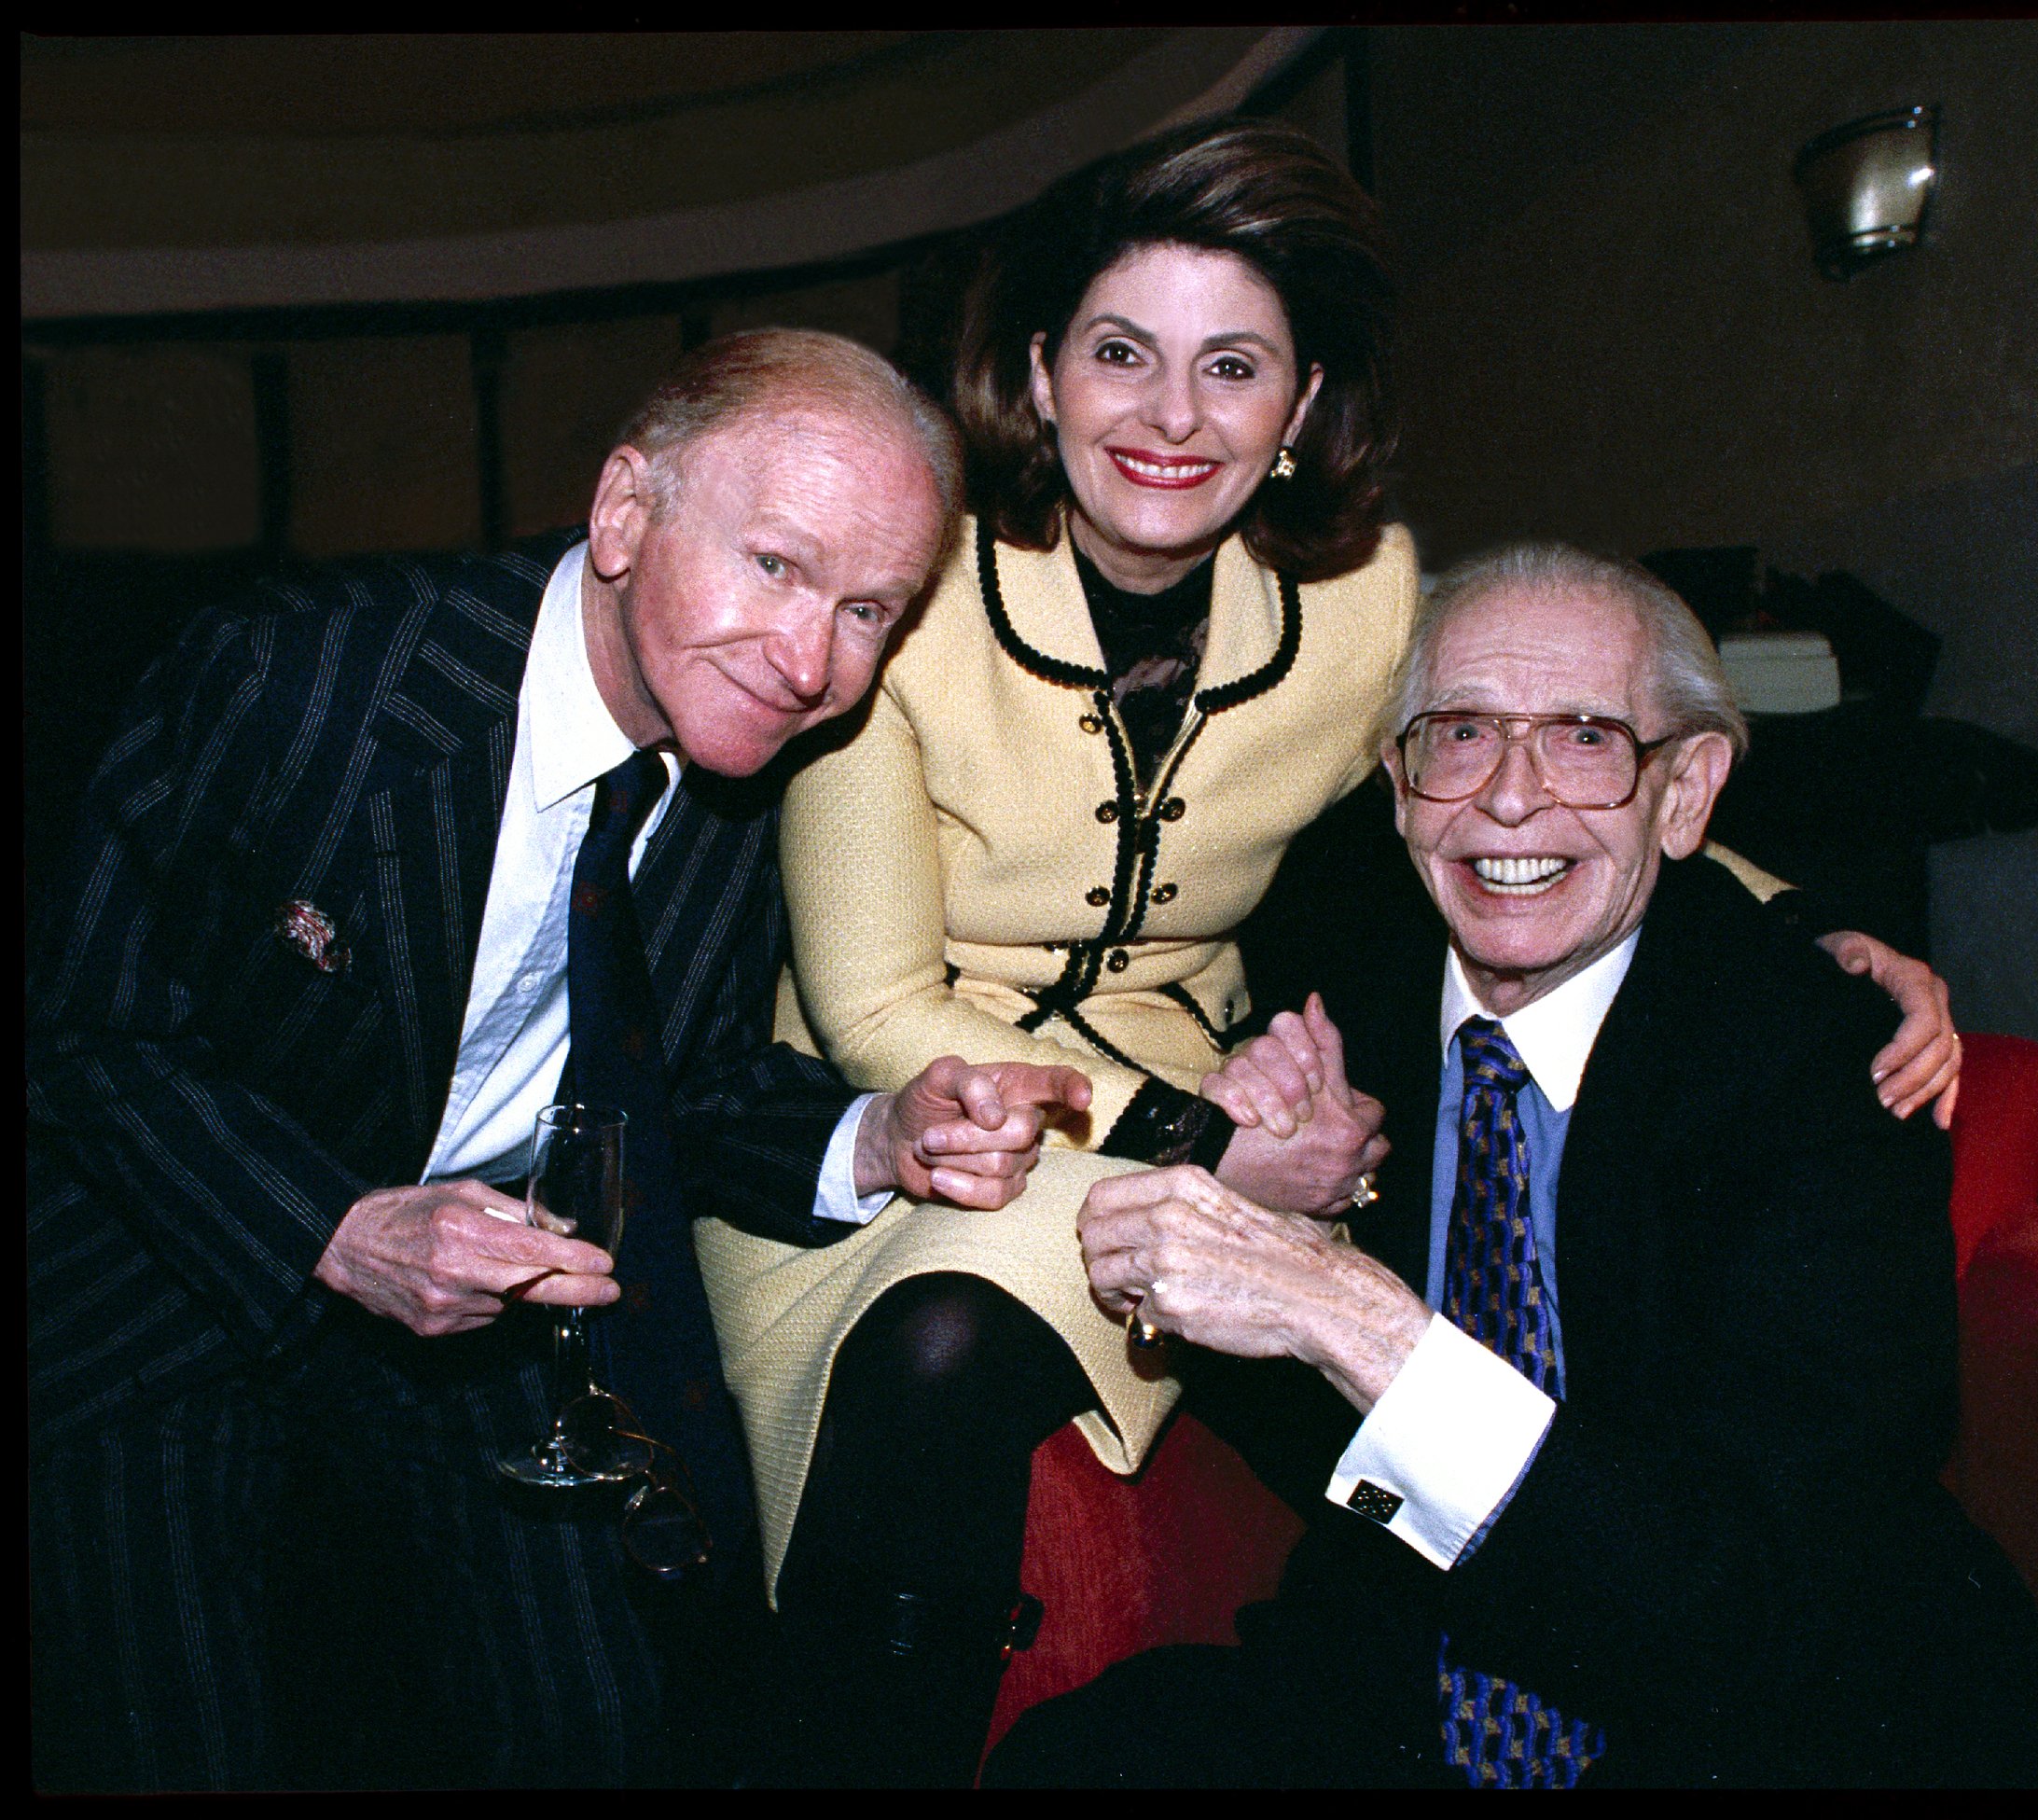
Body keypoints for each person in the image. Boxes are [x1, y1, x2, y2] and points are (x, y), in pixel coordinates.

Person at [698, 121, 1964, 1786]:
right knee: (940, 1332)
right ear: (1037, 374)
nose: (1170, 418)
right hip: (922, 1104)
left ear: (1299, 411)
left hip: (1197, 1089)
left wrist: (1794, 912)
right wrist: (1207, 1146)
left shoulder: (1361, 597)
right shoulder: (909, 588)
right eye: (1120, 355)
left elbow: (1506, 778)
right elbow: (875, 1004)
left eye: (1233, 366)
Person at [25, 327, 1091, 1791]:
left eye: (868, 611)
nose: (807, 663)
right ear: (623, 513)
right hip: (173, 1278)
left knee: (605, 1720)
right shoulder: (300, 677)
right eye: (775, 566)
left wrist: (880, 1140)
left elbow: (695, 1088)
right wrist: (334, 1231)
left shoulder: (747, 771)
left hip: (479, 1321)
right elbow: (82, 1024)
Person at [988, 542, 2038, 1788]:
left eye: (1587, 737)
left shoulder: (1827, 1061)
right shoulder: (1341, 995)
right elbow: (1314, 1456)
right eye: (1460, 734)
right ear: (1398, 783)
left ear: (1686, 791)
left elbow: (1751, 1589)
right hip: (1409, 1680)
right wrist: (1260, 1211)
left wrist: (1344, 1311)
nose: (1507, 798)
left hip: (1759, 1703)